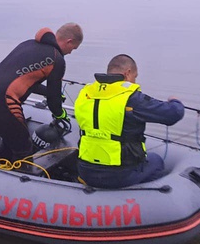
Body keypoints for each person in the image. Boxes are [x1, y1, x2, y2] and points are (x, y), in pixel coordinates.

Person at [74, 54, 184, 189]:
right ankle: (140, 200)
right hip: (119, 174)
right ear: (128, 73)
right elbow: (174, 114)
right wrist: (175, 101)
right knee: (156, 161)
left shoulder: (85, 93)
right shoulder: (131, 98)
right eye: (135, 77)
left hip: (85, 170)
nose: (135, 82)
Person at [0, 23, 83, 162]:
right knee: (24, 148)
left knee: (12, 138)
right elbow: (53, 101)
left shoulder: (29, 45)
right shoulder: (57, 60)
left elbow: (23, 81)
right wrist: (61, 115)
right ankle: (14, 179)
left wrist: (47, 91)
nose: (70, 52)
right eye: (73, 48)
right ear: (69, 41)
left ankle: (2, 165)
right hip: (3, 104)